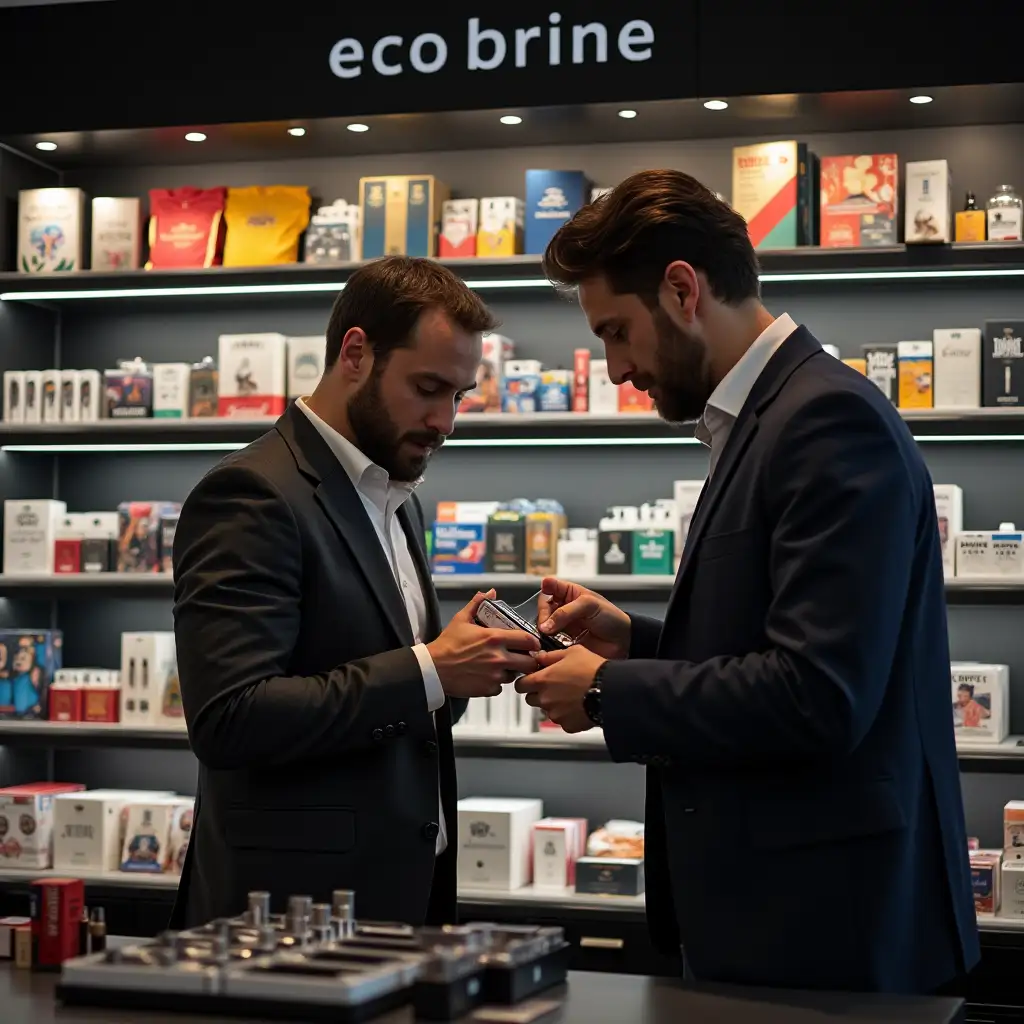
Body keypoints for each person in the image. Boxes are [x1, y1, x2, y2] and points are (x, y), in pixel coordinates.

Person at [516, 169, 979, 994]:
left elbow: (819, 693)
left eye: (618, 332)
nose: (617, 369)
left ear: (683, 290)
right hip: (779, 918)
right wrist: (637, 642)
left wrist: (607, 693)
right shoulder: (768, 419)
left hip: (829, 935)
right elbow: (777, 643)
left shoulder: (825, 422)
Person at [171, 256, 540, 928]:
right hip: (289, 918)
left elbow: (401, 716)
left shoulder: (398, 501)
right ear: (356, 352)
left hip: (402, 896)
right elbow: (230, 717)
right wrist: (431, 669)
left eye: (458, 396)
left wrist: (460, 669)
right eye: (428, 388)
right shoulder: (251, 494)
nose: (445, 421)